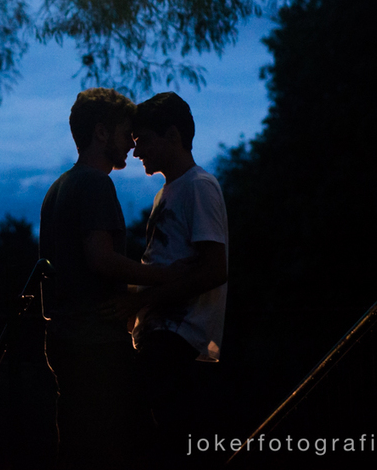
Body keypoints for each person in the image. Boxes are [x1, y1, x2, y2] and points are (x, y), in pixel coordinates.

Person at [39, 88, 185, 469]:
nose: (130, 147)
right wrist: (163, 275)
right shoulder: (95, 184)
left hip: (66, 338)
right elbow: (101, 259)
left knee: (78, 445)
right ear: (102, 133)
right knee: (132, 444)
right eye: (124, 135)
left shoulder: (59, 188)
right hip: (97, 341)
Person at [119, 91, 229, 468]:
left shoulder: (199, 185)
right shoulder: (168, 192)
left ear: (173, 136)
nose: (136, 153)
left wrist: (144, 300)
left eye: (143, 141)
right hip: (159, 332)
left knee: (165, 444)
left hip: (176, 335)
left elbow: (216, 268)